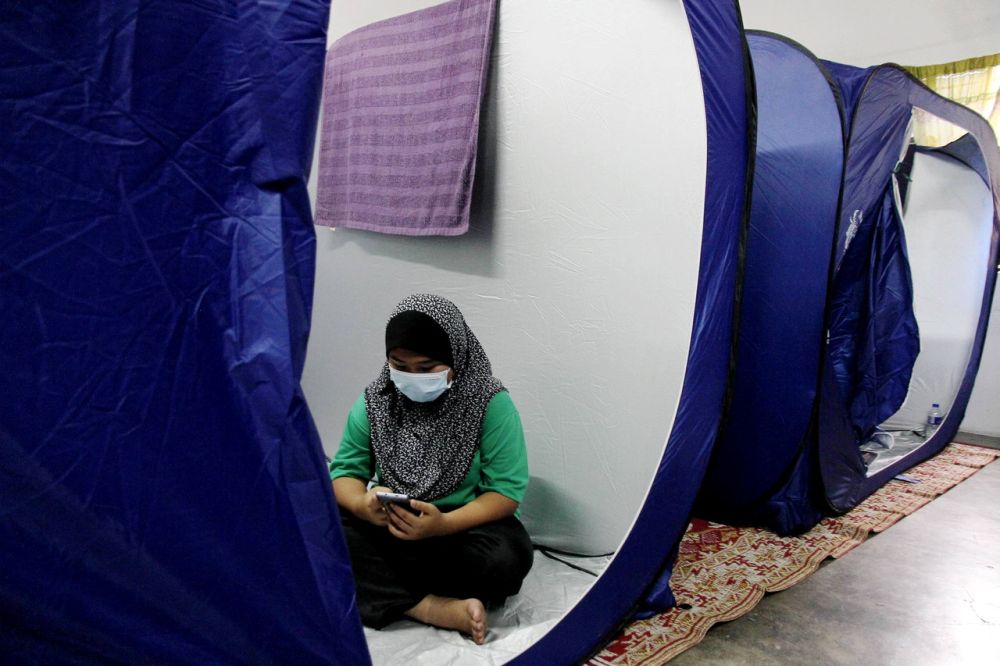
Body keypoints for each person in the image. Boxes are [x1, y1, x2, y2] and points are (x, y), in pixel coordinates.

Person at [330, 293, 532, 644]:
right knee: (315, 526)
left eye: (426, 369)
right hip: (392, 527)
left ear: (455, 357)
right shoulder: (375, 401)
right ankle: (428, 607)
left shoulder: (490, 404)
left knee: (506, 559)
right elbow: (344, 473)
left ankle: (385, 590)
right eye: (399, 366)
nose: (411, 378)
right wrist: (364, 505)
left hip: (460, 530)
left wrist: (443, 524)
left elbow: (505, 493)